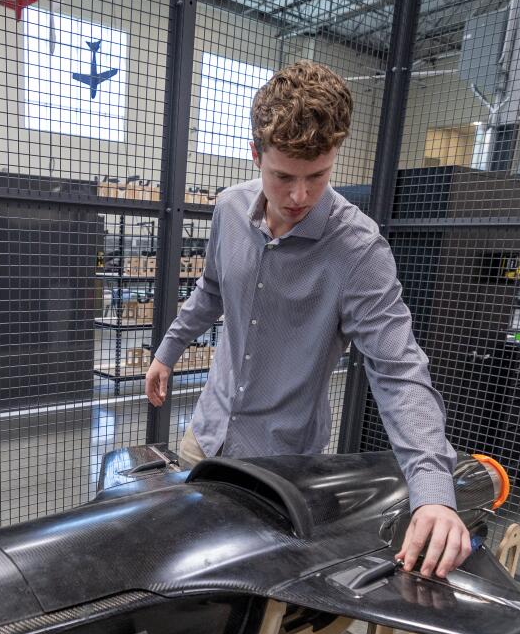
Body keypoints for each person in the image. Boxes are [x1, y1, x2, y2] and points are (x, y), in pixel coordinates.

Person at [144, 61, 470, 578]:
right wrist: (168, 350)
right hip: (204, 439)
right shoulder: (229, 210)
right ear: (256, 156)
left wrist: (433, 491)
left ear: (334, 157)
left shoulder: (358, 250)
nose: (299, 197)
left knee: (253, 595)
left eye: (316, 177)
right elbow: (211, 290)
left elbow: (398, 370)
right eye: (283, 177)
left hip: (281, 468)